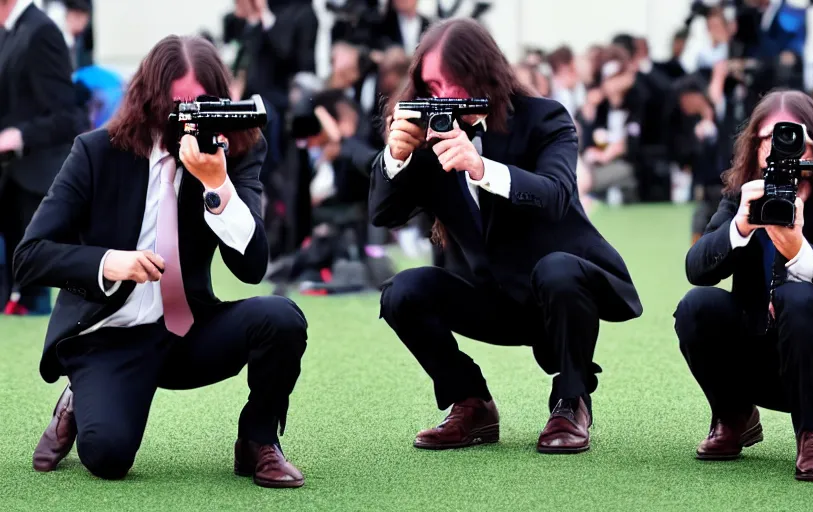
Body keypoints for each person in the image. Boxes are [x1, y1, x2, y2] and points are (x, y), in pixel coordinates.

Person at [13, 35, 308, 488]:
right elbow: (29, 257)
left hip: (186, 330)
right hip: (110, 337)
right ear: (150, 99)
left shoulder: (236, 150)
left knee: (281, 317)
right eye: (178, 108)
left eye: (201, 105)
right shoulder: (96, 151)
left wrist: (217, 186)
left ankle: (258, 441)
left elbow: (252, 268)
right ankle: (78, 396)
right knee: (108, 456)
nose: (189, 121)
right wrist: (112, 263)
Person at [369, 18, 643, 454]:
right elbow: (383, 214)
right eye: (432, 83)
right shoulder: (426, 135)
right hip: (491, 296)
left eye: (453, 81)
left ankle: (572, 401)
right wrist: (395, 158)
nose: (442, 95)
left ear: (483, 72)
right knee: (402, 290)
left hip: (561, 293)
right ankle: (471, 403)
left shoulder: (544, 117)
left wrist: (480, 168)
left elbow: (555, 194)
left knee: (557, 270)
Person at [674, 89, 813, 481]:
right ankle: (734, 417)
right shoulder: (742, 194)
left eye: (793, 136)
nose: (780, 146)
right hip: (752, 353)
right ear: (755, 145)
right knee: (696, 305)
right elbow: (697, 269)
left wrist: (801, 252)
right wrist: (740, 225)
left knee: (797, 295)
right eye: (769, 137)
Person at [0, 0, 90, 315]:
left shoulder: (41, 32)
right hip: (10, 178)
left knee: (30, 295)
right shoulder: (9, 31)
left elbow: (67, 116)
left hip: (34, 178)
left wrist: (18, 135)